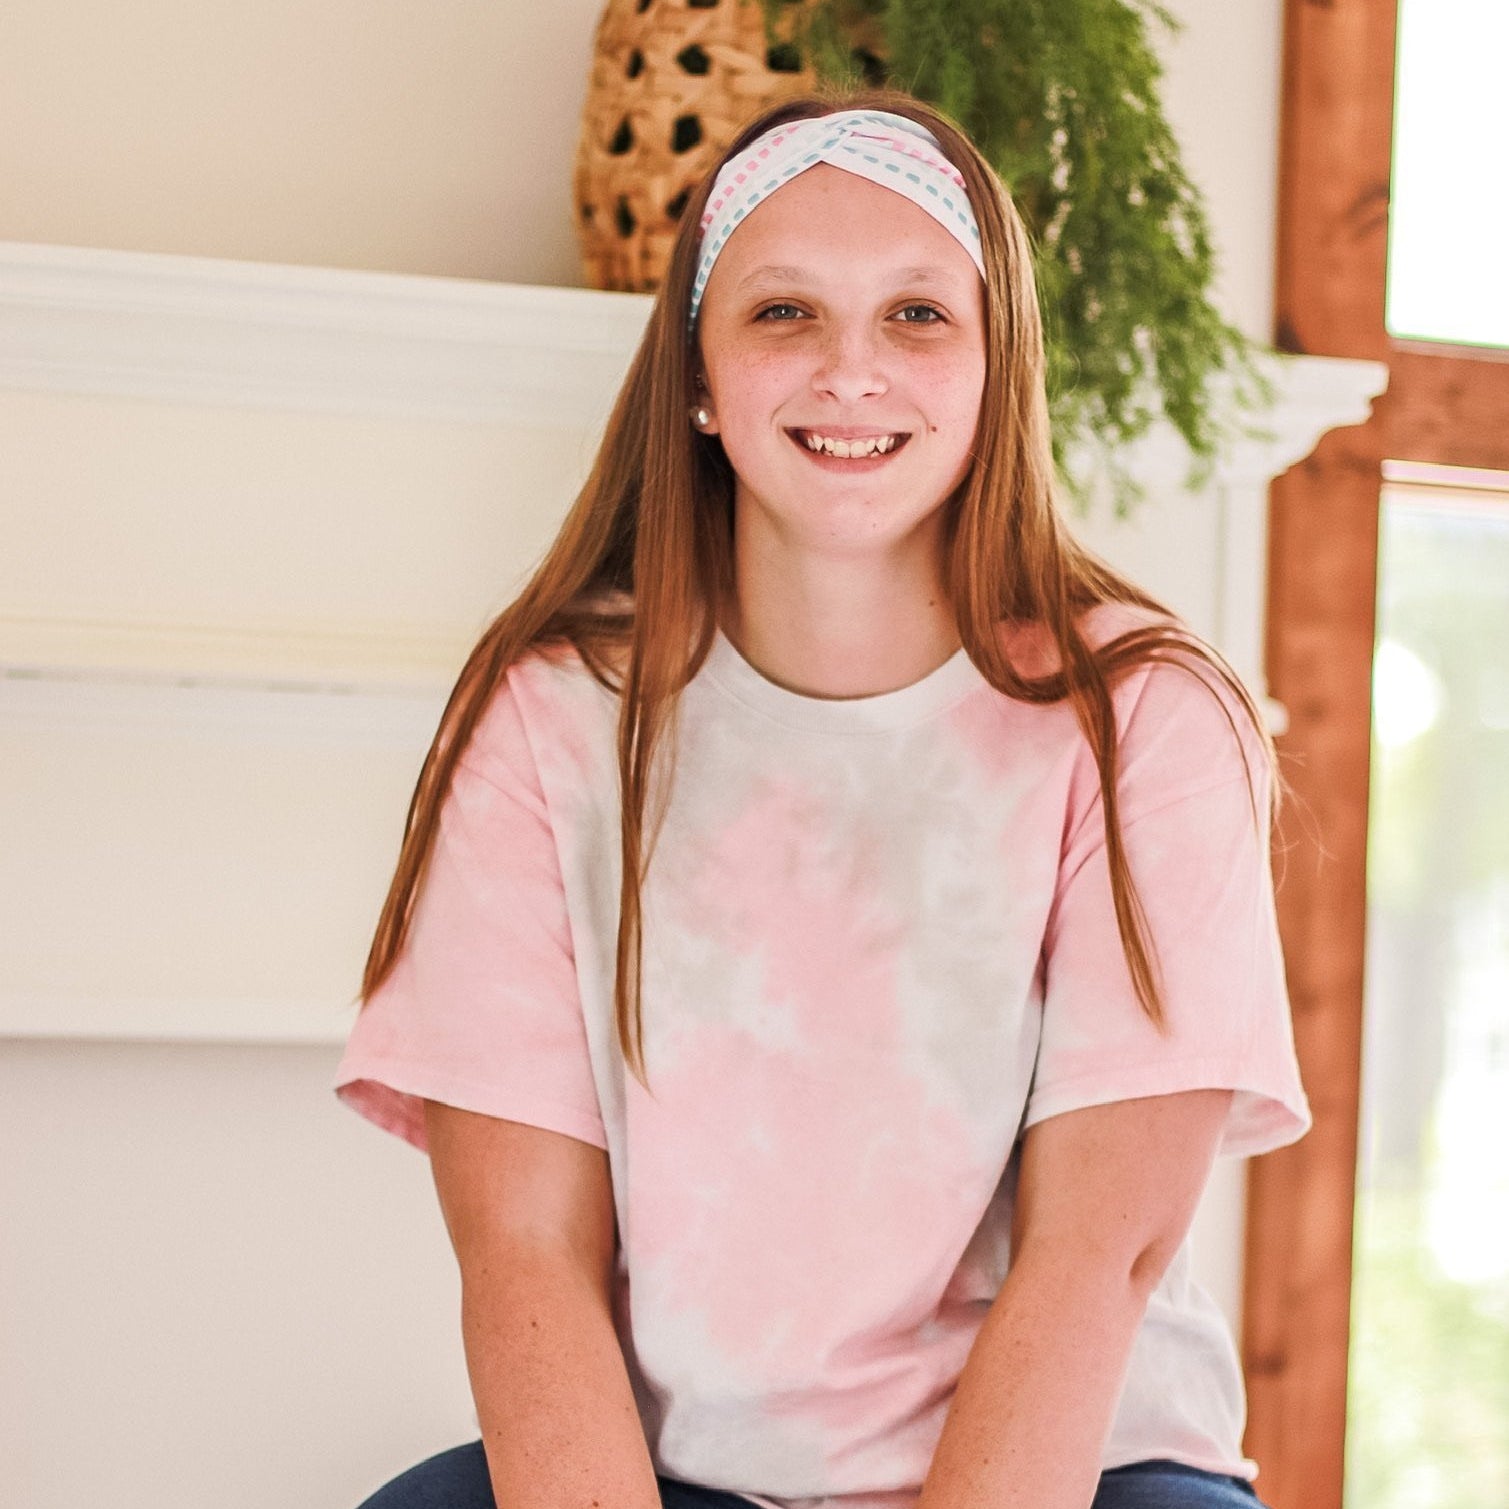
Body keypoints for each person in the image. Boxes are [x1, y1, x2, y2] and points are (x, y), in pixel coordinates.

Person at [333, 90, 1310, 1509]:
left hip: (1080, 1470)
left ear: (995, 370)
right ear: (696, 378)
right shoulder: (546, 714)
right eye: (783, 312)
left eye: (917, 314)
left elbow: (1101, 1248)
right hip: (682, 1475)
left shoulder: (1145, 718)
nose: (851, 368)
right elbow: (520, 1246)